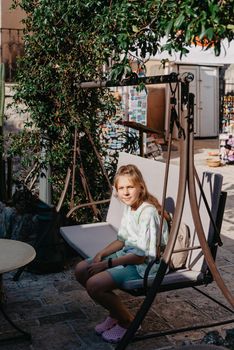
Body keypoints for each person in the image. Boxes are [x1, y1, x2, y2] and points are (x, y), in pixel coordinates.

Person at [75, 164, 169, 343]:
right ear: (116, 190)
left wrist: (106, 264)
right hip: (128, 255)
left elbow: (141, 256)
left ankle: (128, 322)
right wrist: (101, 254)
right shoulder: (130, 206)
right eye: (121, 188)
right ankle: (116, 313)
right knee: (81, 269)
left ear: (140, 187)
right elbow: (122, 239)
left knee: (94, 285)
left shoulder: (148, 212)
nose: (125, 192)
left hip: (144, 265)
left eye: (130, 187)